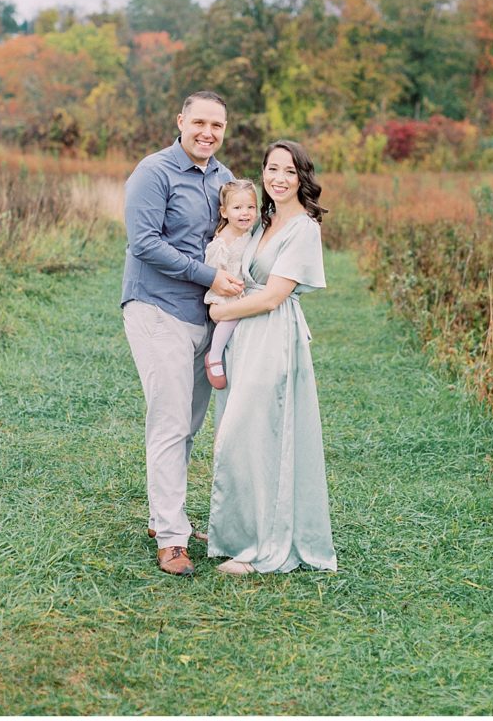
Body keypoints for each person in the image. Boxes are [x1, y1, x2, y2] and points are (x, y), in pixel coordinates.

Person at [121, 91, 243, 577]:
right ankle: (172, 538)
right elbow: (144, 243)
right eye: (199, 123)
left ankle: (162, 515)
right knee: (170, 423)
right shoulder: (154, 172)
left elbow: (234, 233)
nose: (207, 133)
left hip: (204, 318)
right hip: (157, 309)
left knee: (188, 425)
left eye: (217, 125)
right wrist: (210, 277)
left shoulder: (225, 178)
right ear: (180, 122)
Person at [207, 139, 337, 575]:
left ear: (302, 178)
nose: (279, 179)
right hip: (246, 339)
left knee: (260, 434)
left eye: (289, 171)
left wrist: (221, 310)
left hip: (272, 335)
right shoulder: (263, 221)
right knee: (239, 436)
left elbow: (273, 297)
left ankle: (265, 545)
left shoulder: (303, 227)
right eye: (272, 169)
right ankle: (238, 532)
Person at [203, 179, 258, 390]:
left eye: (250, 207)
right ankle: (214, 355)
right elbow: (214, 272)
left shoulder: (248, 231)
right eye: (237, 208)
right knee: (231, 316)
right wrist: (229, 286)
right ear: (224, 212)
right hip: (226, 292)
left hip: (242, 289)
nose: (245, 213)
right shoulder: (222, 243)